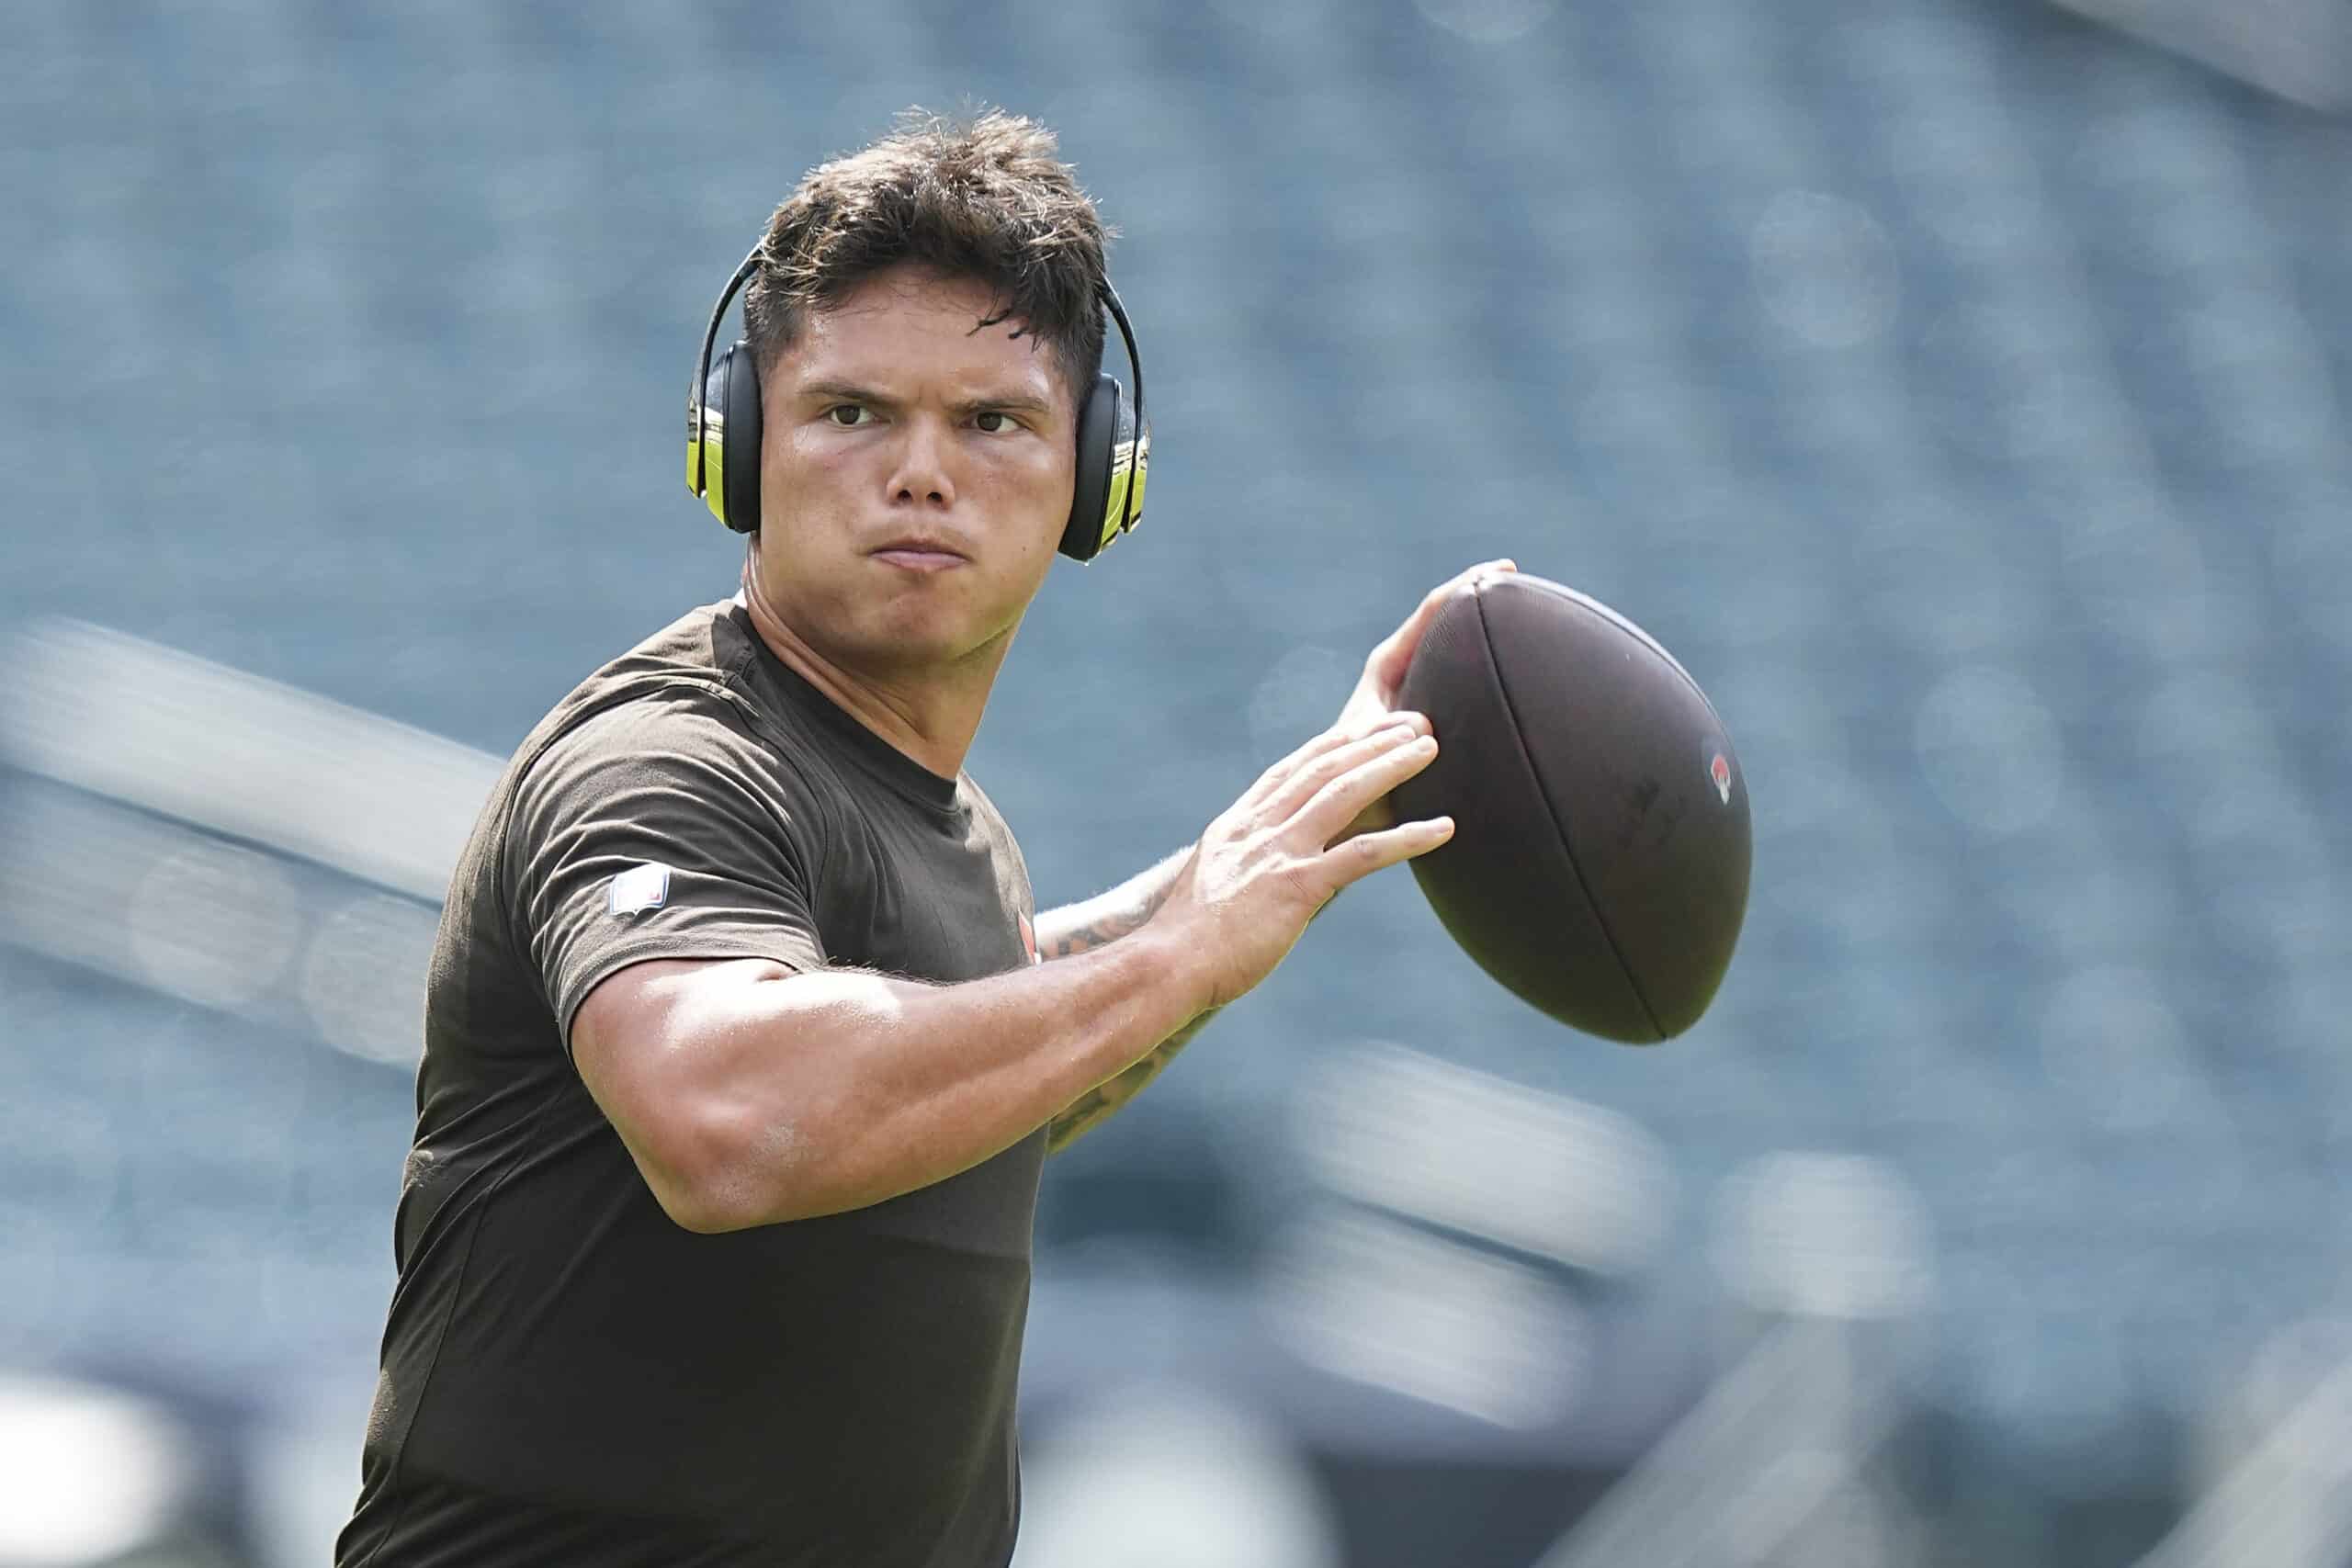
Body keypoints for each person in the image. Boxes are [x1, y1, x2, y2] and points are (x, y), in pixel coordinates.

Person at [335, 108, 1513, 1568]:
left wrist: (1257, 857)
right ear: (741, 445)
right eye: (851, 412)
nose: (921, 473)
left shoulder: (950, 829)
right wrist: (1180, 958)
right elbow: (735, 1119)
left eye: (994, 420)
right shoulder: (667, 766)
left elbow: (962, 1065)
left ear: (1096, 471)